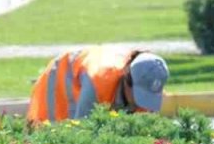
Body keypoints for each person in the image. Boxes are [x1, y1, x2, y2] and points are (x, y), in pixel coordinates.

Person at [27, 47, 170, 122]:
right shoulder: (98, 82)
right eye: (139, 95)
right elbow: (83, 131)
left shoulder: (151, 81)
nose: (142, 105)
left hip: (91, 77)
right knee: (51, 138)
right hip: (61, 80)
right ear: (128, 79)